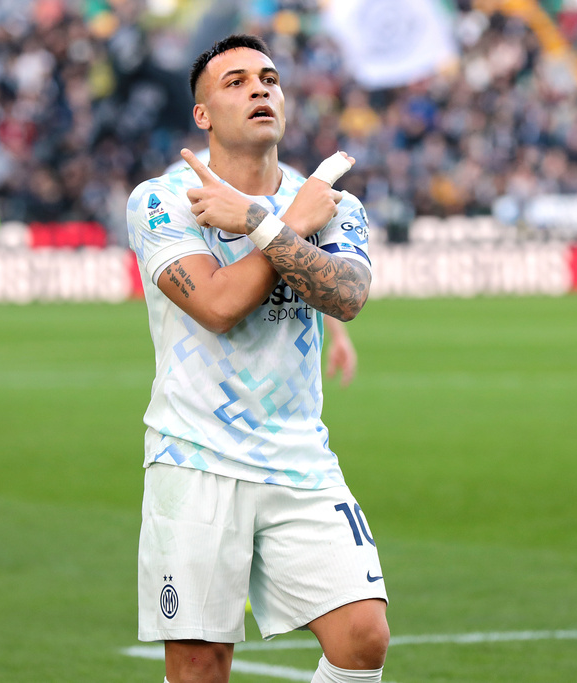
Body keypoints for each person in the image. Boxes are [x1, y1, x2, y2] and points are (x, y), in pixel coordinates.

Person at [125, 34, 388, 683]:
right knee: (200, 668)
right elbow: (216, 303)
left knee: (363, 635)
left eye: (268, 78)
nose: (259, 89)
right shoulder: (161, 200)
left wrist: (264, 222)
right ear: (203, 115)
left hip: (299, 456)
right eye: (236, 81)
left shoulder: (329, 200)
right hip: (194, 458)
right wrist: (285, 225)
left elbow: (348, 295)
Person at [166, 150, 359, 387]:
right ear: (203, 116)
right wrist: (292, 225)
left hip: (303, 421)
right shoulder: (169, 190)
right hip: (193, 418)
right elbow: (218, 308)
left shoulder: (302, 188)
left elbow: (343, 294)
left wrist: (338, 336)